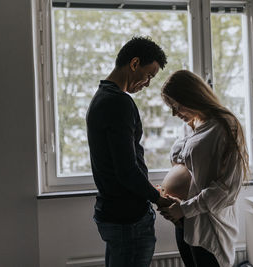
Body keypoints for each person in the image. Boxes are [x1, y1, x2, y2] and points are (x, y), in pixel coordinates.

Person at [86, 36, 172, 267]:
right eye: (149, 75)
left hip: (114, 212)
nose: (148, 83)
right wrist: (158, 199)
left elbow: (120, 163)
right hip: (128, 219)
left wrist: (146, 187)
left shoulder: (101, 97)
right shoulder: (119, 102)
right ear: (134, 64)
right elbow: (126, 170)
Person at [158, 70, 250, 267]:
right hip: (184, 221)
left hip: (208, 226)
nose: (175, 113)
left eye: (177, 105)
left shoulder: (226, 125)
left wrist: (184, 208)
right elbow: (193, 176)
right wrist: (176, 203)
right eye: (171, 107)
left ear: (192, 96)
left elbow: (228, 189)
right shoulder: (192, 123)